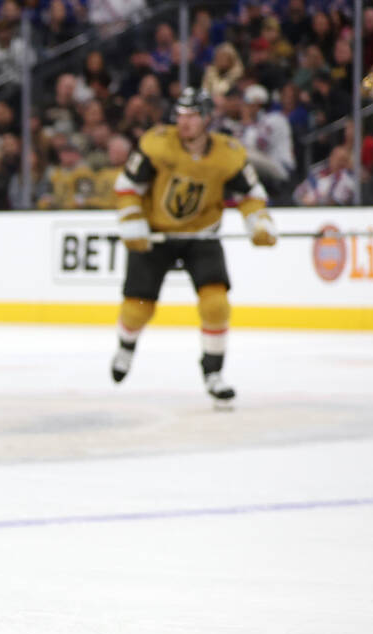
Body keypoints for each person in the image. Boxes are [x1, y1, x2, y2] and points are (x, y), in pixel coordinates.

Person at [111, 87, 277, 406]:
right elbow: (127, 185)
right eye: (181, 115)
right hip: (157, 234)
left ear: (207, 119)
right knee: (136, 309)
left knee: (215, 304)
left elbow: (251, 194)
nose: (184, 122)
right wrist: (132, 220)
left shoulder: (227, 153)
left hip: (202, 234)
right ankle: (126, 347)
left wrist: (258, 222)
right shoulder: (158, 143)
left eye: (192, 116)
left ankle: (213, 373)